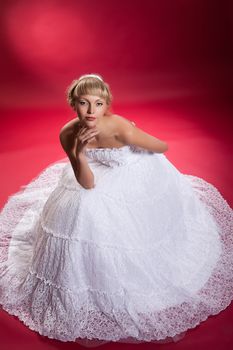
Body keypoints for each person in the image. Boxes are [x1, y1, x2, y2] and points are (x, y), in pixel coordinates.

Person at [0, 73, 232, 348]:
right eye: (83, 103)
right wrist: (79, 152)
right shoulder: (68, 133)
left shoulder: (119, 126)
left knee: (113, 211)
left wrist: (133, 137)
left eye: (97, 104)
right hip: (94, 175)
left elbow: (160, 146)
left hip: (134, 170)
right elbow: (86, 183)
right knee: (81, 208)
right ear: (73, 103)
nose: (90, 111)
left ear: (106, 104)